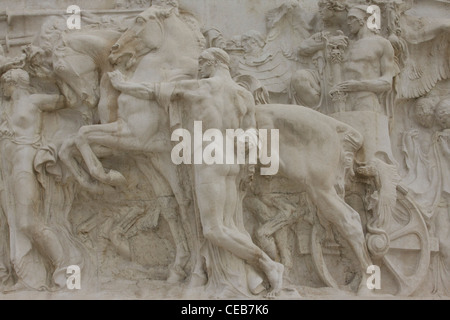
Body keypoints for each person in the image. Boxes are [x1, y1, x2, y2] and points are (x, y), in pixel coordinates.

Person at [109, 48, 284, 297]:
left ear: (210, 63)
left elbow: (151, 91)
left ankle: (269, 266)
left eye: (202, 64)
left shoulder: (201, 88)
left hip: (209, 160)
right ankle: (250, 273)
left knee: (213, 229)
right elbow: (251, 134)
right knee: (230, 224)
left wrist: (122, 84)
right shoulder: (243, 94)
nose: (199, 69)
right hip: (231, 163)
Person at [0, 69, 69, 290]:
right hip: (6, 171)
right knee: (12, 224)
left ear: (14, 83)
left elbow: (68, 100)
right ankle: (27, 277)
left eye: (4, 84)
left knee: (27, 221)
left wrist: (58, 71)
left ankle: (64, 269)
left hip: (24, 163)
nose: (3, 89)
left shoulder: (35, 100)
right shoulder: (5, 107)